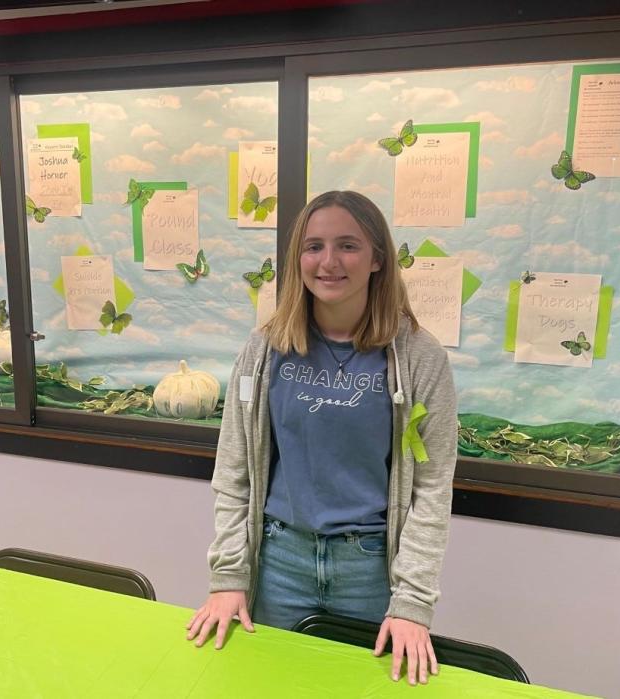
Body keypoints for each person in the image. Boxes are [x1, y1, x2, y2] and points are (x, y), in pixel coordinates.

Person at [185, 190, 458, 686]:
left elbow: (432, 490)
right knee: (268, 687)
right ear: (298, 259)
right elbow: (234, 471)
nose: (328, 262)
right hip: (279, 564)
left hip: (369, 571)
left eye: (348, 246)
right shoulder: (265, 349)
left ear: (377, 258)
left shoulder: (419, 358)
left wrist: (413, 602)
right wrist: (228, 577)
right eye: (314, 247)